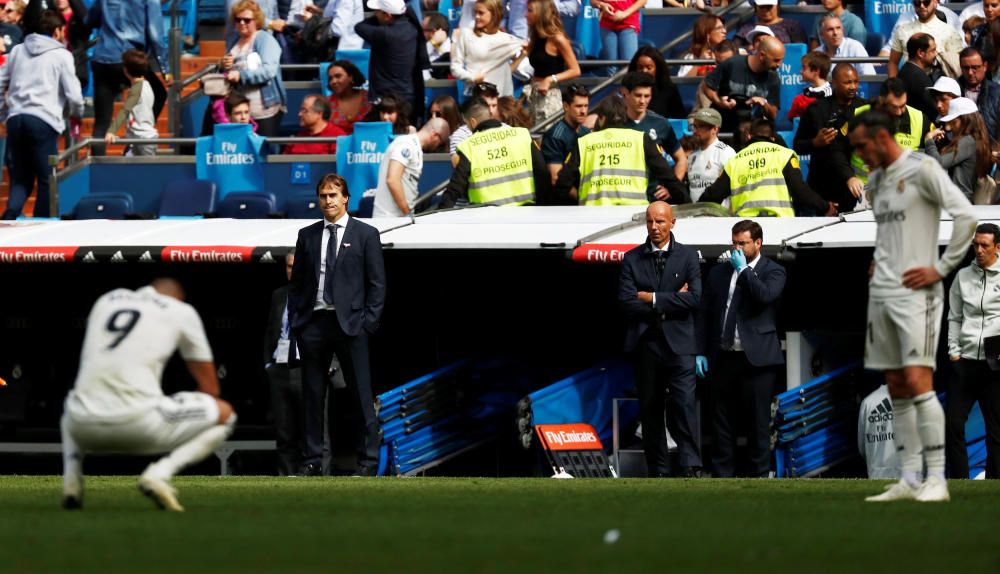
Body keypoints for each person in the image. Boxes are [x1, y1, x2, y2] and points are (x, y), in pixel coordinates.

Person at [848, 110, 977, 503]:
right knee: (896, 386)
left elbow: (967, 217)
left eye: (861, 146)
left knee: (919, 382)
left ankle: (936, 478)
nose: (859, 154)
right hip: (882, 292)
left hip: (916, 295)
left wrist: (939, 268)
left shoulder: (923, 171)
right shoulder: (876, 180)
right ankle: (908, 477)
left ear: (883, 137)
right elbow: (892, 232)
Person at [61, 278, 237, 512]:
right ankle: (159, 474)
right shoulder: (181, 311)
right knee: (226, 414)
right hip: (139, 424)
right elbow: (210, 388)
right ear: (178, 298)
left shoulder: (106, 300)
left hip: (82, 426)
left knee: (74, 400)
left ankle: (72, 483)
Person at [288, 173, 386, 477]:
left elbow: (377, 284)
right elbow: (298, 283)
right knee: (313, 397)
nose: (327, 201)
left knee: (360, 396)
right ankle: (312, 460)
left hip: (351, 324)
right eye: (323, 196)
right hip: (314, 323)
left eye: (333, 195)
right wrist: (298, 322)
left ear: (346, 198)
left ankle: (368, 462)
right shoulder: (307, 235)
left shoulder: (365, 234)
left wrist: (367, 323)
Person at [618, 201, 703, 478]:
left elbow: (694, 299)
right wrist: (672, 299)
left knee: (684, 405)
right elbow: (627, 303)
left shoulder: (688, 257)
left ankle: (691, 465)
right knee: (651, 408)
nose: (655, 227)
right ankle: (659, 470)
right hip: (646, 344)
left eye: (660, 222)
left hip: (680, 345)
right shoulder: (631, 258)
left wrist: (652, 298)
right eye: (650, 222)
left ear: (672, 222)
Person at [696, 219, 785, 478]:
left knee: (758, 422)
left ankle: (758, 475)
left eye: (743, 243)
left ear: (758, 243)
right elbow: (706, 313)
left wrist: (745, 270)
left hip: (757, 359)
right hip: (724, 356)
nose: (737, 248)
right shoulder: (719, 272)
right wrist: (700, 350)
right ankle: (723, 475)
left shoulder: (774, 270)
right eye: (734, 243)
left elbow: (764, 296)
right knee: (721, 420)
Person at [0, 9, 82, 219]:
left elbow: (1, 82)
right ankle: (42, 224)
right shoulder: (62, 55)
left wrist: (4, 113)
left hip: (16, 119)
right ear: (57, 31)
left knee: (20, 180)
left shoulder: (17, 50)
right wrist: (77, 114)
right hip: (43, 121)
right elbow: (74, 95)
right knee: (48, 180)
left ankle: (8, 221)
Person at [556, 95, 689, 206]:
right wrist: (689, 205)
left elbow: (562, 184)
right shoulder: (641, 139)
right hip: (633, 217)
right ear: (624, 117)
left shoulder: (585, 142)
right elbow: (668, 178)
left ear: (601, 118)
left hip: (594, 216)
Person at [947, 222, 1000, 479]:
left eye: (984, 246)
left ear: (997, 248)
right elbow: (954, 317)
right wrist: (953, 352)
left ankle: (994, 483)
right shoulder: (962, 277)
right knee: (953, 424)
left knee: (996, 430)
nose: (978, 250)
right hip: (965, 361)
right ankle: (959, 482)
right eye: (975, 245)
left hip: (996, 363)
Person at [703, 118, 835, 217]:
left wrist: (694, 210)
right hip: (780, 226)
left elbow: (713, 195)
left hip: (745, 230)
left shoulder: (735, 161)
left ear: (749, 136)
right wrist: (825, 207)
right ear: (773, 138)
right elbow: (800, 191)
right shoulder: (784, 155)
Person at [86, 0, 168, 156]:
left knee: (102, 123)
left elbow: (91, 19)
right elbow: (156, 35)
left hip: (103, 57)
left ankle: (99, 171)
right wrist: (165, 68)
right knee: (159, 93)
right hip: (130, 59)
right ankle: (135, 139)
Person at [440, 98, 551, 208]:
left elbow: (456, 187)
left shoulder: (469, 146)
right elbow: (542, 172)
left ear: (473, 122)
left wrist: (440, 213)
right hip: (524, 213)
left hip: (486, 218)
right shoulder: (522, 135)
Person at [793, 63, 862, 212]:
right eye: (847, 82)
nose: (853, 87)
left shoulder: (864, 107)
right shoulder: (816, 109)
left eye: (856, 81)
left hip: (855, 188)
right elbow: (797, 145)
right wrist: (815, 142)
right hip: (822, 187)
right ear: (834, 83)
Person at [220, 0, 287, 137]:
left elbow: (269, 71)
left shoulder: (265, 39)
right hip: (240, 113)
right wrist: (224, 66)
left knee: (263, 153)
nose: (242, 23)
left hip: (264, 110)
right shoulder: (234, 42)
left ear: (256, 21)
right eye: (238, 20)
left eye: (247, 20)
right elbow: (228, 72)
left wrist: (241, 76)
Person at [356, 0, 429, 124]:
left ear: (388, 15)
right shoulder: (411, 28)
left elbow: (359, 27)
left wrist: (379, 20)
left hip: (387, 102)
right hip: (408, 98)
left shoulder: (384, 34)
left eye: (377, 12)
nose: (375, 14)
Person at [264, 251, 302, 476]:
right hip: (279, 368)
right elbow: (270, 331)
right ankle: (286, 478)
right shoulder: (279, 295)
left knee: (311, 431)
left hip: (304, 368)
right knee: (284, 431)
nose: (291, 270)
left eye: (295, 266)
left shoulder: (316, 294)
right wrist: (268, 364)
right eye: (288, 266)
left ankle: (315, 477)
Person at [703, 35, 783, 135]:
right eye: (776, 60)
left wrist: (763, 104)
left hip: (751, 134)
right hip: (723, 130)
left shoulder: (773, 77)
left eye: (781, 60)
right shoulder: (733, 64)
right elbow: (706, 85)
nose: (779, 64)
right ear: (762, 56)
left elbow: (773, 114)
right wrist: (719, 102)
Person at [373, 117, 451, 217]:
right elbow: (392, 180)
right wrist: (407, 212)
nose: (437, 147)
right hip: (389, 218)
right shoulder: (406, 144)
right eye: (440, 143)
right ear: (435, 135)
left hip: (398, 218)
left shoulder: (415, 148)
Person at [449, 0, 524, 98]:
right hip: (478, 97)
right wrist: (472, 77)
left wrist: (523, 56)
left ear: (494, 14)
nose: (476, 17)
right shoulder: (466, 35)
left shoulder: (506, 39)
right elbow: (455, 67)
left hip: (502, 98)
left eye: (481, 13)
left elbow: (507, 70)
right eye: (475, 12)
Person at [621, 72, 686, 182]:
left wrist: (672, 189)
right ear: (625, 93)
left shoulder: (661, 124)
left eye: (647, 96)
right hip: (621, 193)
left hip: (653, 195)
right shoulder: (613, 122)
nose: (642, 101)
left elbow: (681, 159)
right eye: (638, 95)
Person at [523, 0, 579, 126]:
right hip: (535, 93)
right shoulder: (536, 36)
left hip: (550, 96)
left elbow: (575, 70)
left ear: (541, 14)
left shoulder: (558, 39)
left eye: (530, 11)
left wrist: (550, 79)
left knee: (548, 137)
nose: (526, 14)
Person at [923, 97, 991, 201]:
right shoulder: (974, 139)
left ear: (965, 120)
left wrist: (928, 140)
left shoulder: (967, 141)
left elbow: (938, 163)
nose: (949, 126)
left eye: (952, 121)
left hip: (958, 201)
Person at [888, 0, 964, 80]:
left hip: (939, 86)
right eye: (917, 3)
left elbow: (957, 66)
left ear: (935, 2)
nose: (921, 6)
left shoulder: (949, 32)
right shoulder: (902, 30)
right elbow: (893, 62)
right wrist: (895, 88)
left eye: (926, 2)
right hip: (908, 85)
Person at [103, 49, 158, 157]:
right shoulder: (146, 85)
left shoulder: (137, 90)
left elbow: (125, 111)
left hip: (144, 139)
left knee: (147, 172)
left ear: (126, 71)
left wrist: (111, 131)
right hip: (138, 139)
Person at [541, 83, 589, 185]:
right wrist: (579, 198)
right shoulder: (554, 136)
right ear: (566, 106)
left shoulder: (587, 132)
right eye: (579, 106)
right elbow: (556, 179)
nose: (583, 111)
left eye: (586, 106)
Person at [684, 108, 734, 203]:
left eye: (701, 126)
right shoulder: (692, 156)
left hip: (718, 215)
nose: (695, 130)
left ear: (715, 129)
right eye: (694, 126)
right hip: (695, 215)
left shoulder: (726, 152)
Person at [628, 46, 686, 119]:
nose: (644, 71)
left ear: (658, 68)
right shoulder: (628, 89)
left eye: (649, 68)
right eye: (640, 67)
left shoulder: (669, 89)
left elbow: (680, 117)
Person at [590, 0, 645, 73]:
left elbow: (643, 1)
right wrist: (602, 4)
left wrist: (625, 14)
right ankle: (613, 84)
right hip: (607, 25)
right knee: (611, 66)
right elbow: (592, 1)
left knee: (628, 64)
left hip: (628, 24)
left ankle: (628, 84)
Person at [958, 47, 1000, 141]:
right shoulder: (952, 92)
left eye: (975, 67)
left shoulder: (997, 92)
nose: (970, 73)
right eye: (965, 68)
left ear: (985, 66)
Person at [897, 33, 938, 121]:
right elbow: (934, 109)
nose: (936, 54)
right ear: (920, 53)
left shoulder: (905, 71)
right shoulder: (919, 78)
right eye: (933, 50)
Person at [734, 0, 806, 49]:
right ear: (756, 8)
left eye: (769, 6)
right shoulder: (746, 29)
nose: (766, 10)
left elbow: (799, 48)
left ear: (777, 6)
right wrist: (748, 48)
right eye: (762, 7)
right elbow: (735, 48)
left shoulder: (792, 26)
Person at [326, 59, 371, 135]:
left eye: (338, 76)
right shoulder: (326, 103)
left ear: (351, 77)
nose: (333, 81)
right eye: (330, 78)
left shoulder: (369, 98)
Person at [676, 13, 726, 78]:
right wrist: (700, 62)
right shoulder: (691, 58)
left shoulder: (730, 53)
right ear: (707, 33)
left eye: (724, 27)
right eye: (719, 28)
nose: (724, 31)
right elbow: (682, 83)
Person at [787, 51, 831, 120]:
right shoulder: (806, 92)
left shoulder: (830, 93)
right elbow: (792, 117)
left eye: (804, 68)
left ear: (816, 70)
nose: (800, 71)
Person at [422, 10, 451, 80]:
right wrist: (432, 43)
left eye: (423, 30)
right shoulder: (428, 48)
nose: (421, 33)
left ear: (433, 32)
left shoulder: (454, 50)